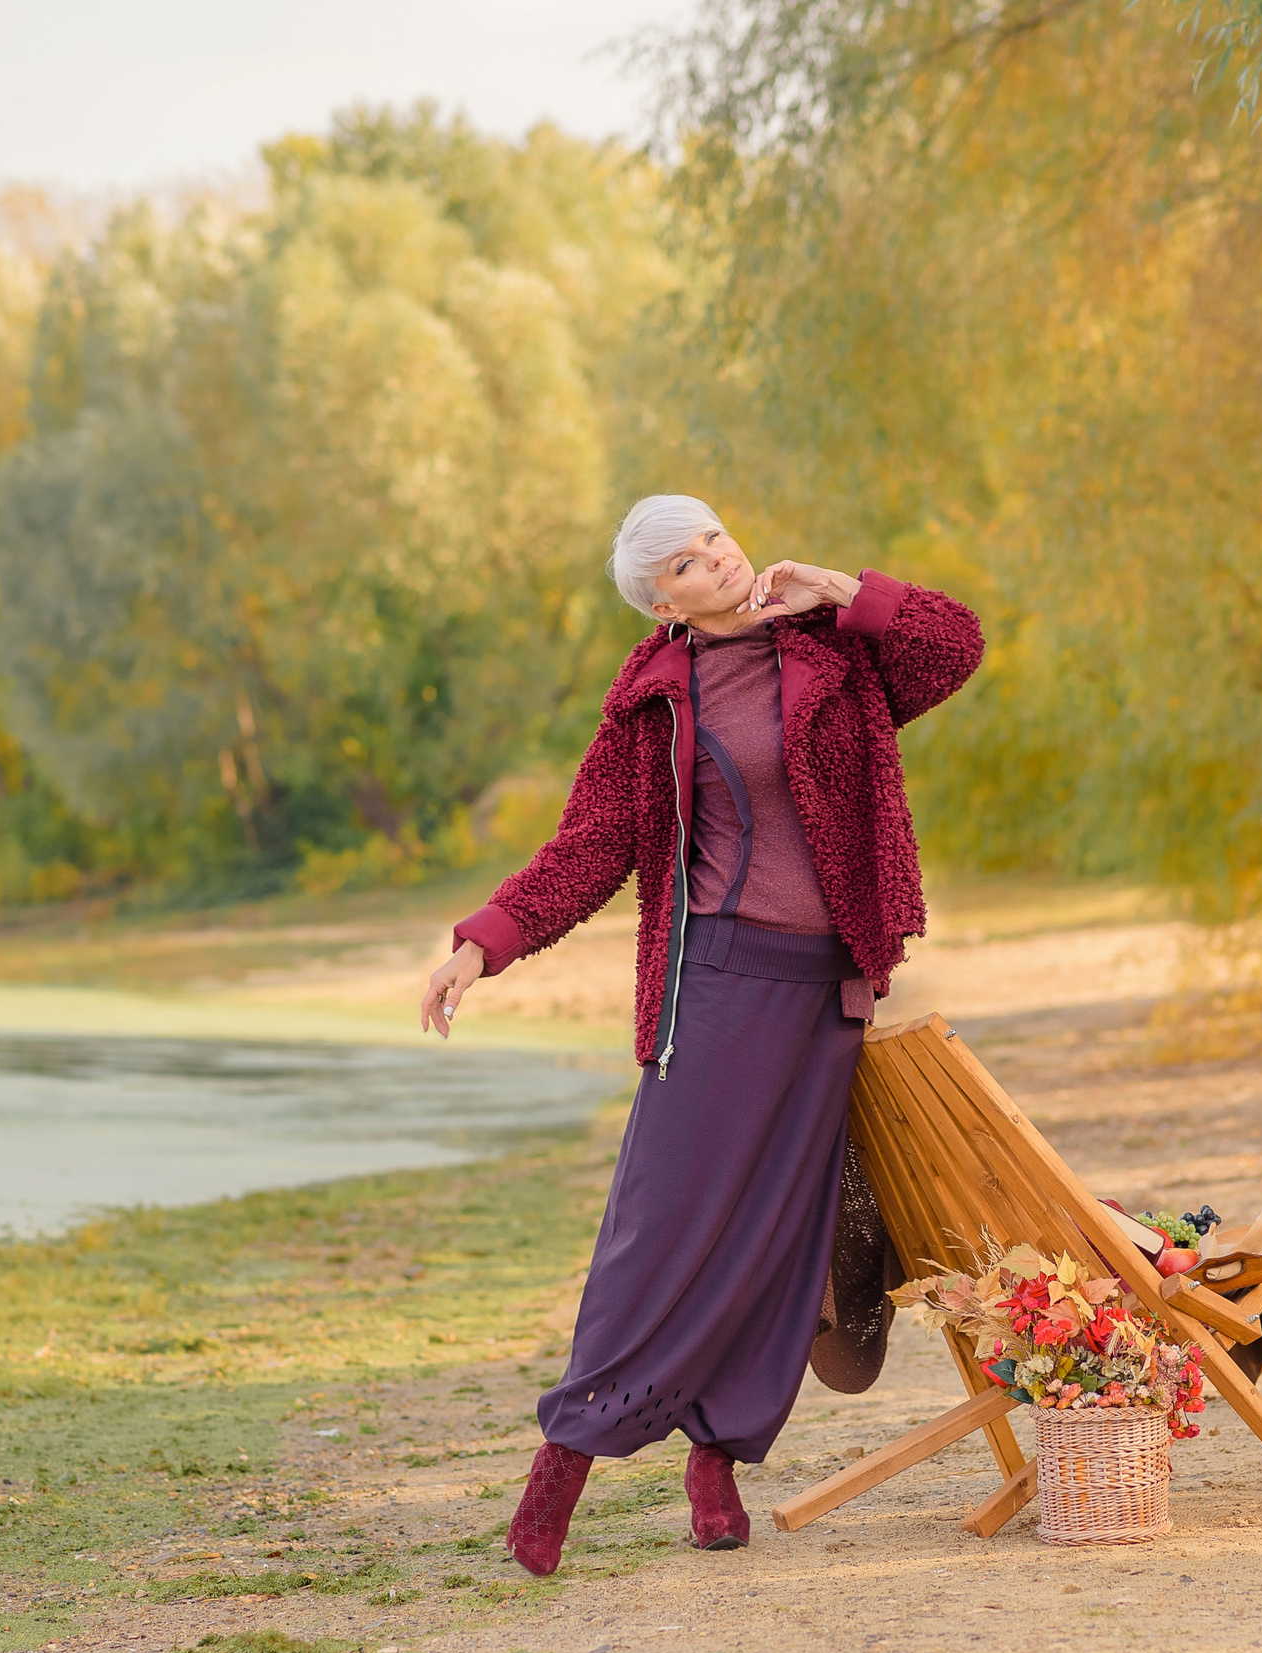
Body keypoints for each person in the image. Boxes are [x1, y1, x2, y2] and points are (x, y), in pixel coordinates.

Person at [418, 494, 982, 1574]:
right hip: (714, 981)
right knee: (660, 1225)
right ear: (660, 603)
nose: (714, 562)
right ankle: (563, 1459)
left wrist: (843, 589)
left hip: (828, 987)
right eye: (683, 563)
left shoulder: (832, 650)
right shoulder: (652, 700)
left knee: (779, 1234)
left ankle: (715, 1460)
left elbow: (954, 646)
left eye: (713, 539)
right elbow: (587, 846)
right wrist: (482, 943)